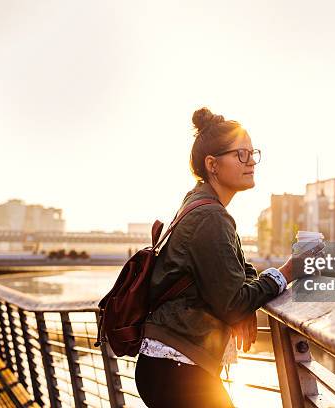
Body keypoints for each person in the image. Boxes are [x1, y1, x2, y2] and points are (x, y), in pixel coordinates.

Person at [134, 107, 298, 407]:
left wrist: (248, 302)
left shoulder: (203, 205)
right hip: (176, 367)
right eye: (240, 155)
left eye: (252, 153)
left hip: (171, 365)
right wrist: (285, 273)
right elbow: (233, 303)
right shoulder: (210, 216)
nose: (251, 162)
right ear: (212, 164)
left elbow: (237, 267)